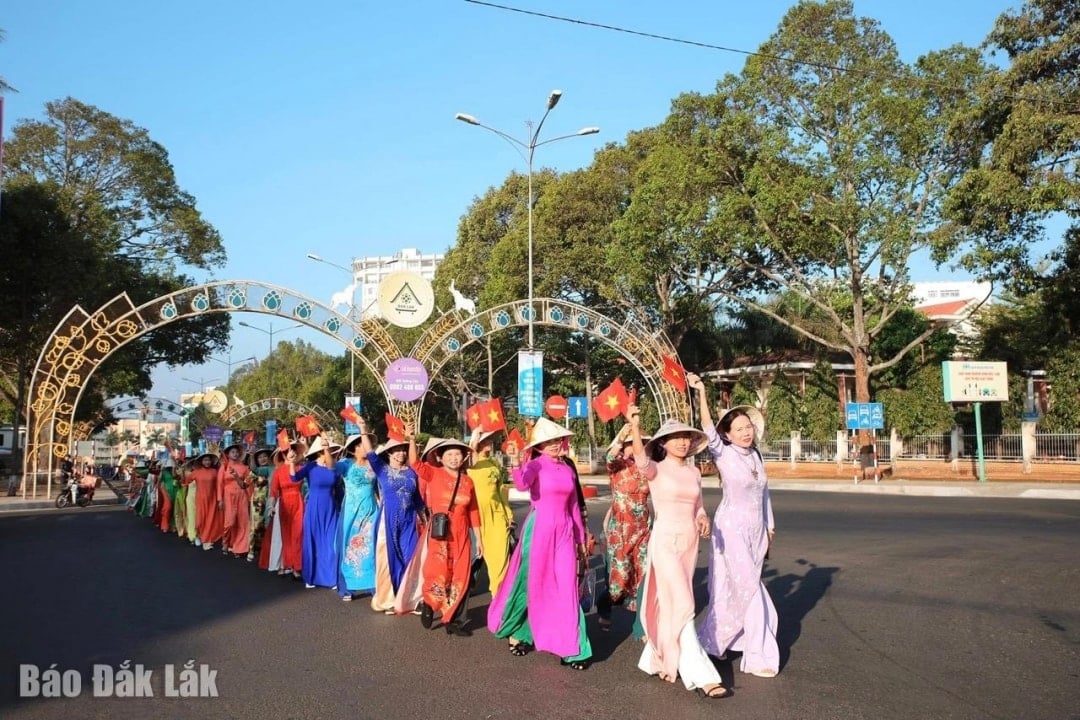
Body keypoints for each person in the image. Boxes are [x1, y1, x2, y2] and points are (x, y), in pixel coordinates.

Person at [628, 406, 728, 699]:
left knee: (675, 603)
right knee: (684, 602)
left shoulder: (695, 472)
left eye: (686, 437)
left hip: (689, 542)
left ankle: (658, 657)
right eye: (676, 438)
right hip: (664, 541)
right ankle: (704, 675)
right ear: (663, 443)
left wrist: (702, 518)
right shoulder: (656, 469)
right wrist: (635, 427)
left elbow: (697, 505)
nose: (682, 442)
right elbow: (640, 460)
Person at [689, 372, 780, 678]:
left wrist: (769, 527)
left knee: (735, 588)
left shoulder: (756, 456)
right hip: (731, 530)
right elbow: (706, 429)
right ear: (727, 434)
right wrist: (701, 392)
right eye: (739, 429)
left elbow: (763, 493)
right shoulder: (723, 453)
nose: (746, 432)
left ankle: (712, 641)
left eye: (748, 427)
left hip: (756, 531)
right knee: (751, 589)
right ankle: (759, 655)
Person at [488, 417, 592, 670]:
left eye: (557, 440)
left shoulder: (567, 469)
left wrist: (581, 537)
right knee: (532, 582)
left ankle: (574, 648)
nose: (555, 445)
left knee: (566, 585)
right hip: (539, 531)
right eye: (548, 442)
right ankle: (522, 632)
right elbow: (522, 483)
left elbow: (574, 506)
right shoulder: (535, 465)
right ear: (539, 446)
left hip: (565, 531)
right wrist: (514, 460)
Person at [413, 438, 483, 636]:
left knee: (461, 575)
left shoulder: (468, 481)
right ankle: (429, 602)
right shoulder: (433, 473)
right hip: (441, 533)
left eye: (457, 454)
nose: (454, 458)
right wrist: (411, 439)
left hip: (462, 533)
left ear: (463, 457)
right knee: (439, 571)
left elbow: (474, 511)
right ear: (440, 457)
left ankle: (453, 619)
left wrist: (479, 539)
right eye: (449, 454)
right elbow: (414, 463)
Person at [597, 423, 652, 630]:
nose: (637, 447)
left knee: (643, 575)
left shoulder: (648, 468)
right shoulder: (617, 466)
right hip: (620, 529)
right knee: (619, 581)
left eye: (642, 443)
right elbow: (609, 458)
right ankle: (604, 605)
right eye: (632, 444)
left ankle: (642, 624)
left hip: (642, 529)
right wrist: (622, 435)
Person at [366, 430, 425, 613]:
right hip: (388, 520)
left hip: (409, 521)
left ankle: (411, 600)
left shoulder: (411, 473)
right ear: (389, 452)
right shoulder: (382, 470)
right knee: (389, 560)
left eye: (403, 449)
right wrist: (362, 429)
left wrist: (424, 516)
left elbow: (417, 499)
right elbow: (369, 453)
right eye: (397, 449)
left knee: (411, 557)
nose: (401, 453)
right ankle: (389, 599)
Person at [289, 434, 342, 590]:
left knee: (331, 542)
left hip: (331, 508)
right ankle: (311, 576)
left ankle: (331, 577)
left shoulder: (335, 467)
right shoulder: (310, 466)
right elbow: (294, 478)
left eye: (331, 450)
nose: (331, 452)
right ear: (320, 452)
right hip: (314, 507)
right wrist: (292, 463)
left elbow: (337, 484)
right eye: (328, 450)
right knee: (313, 540)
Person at [467, 428, 514, 595]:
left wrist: (508, 514)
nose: (490, 442)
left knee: (501, 559)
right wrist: (475, 437)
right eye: (486, 440)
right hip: (476, 517)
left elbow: (501, 491)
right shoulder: (471, 463)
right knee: (477, 559)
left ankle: (500, 596)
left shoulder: (494, 463)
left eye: (490, 439)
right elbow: (468, 459)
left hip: (497, 516)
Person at [336, 429, 379, 601]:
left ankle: (373, 584)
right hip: (351, 513)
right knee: (348, 547)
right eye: (360, 444)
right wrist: (325, 447)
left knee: (371, 547)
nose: (364, 447)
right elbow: (331, 468)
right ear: (353, 449)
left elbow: (378, 486)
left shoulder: (374, 464)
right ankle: (347, 587)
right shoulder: (345, 463)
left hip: (371, 510)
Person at [268, 442, 305, 578]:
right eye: (289, 451)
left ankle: (296, 566)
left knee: (298, 534)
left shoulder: (301, 468)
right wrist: (271, 506)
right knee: (286, 536)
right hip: (284, 504)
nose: (292, 453)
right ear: (284, 455)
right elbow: (273, 492)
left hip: (299, 502)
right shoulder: (278, 472)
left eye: (294, 450)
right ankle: (287, 563)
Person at [218, 443, 255, 558]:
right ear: (228, 454)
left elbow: (248, 483)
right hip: (228, 495)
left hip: (241, 495)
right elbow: (219, 484)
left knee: (243, 521)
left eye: (237, 452)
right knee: (230, 522)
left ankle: (239, 548)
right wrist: (220, 499)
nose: (235, 454)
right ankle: (225, 541)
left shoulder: (245, 468)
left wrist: (250, 498)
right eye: (232, 452)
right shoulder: (224, 467)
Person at [190, 452, 223, 550]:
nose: (207, 462)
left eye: (208, 460)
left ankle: (206, 540)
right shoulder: (196, 472)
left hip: (212, 498)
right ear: (201, 462)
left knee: (211, 519)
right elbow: (185, 480)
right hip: (200, 498)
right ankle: (200, 535)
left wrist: (219, 498)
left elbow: (219, 484)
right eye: (205, 460)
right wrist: (182, 470)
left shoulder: (215, 471)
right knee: (201, 519)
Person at [248, 448, 274, 562]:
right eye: (260, 457)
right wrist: (252, 456)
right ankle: (251, 549)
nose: (263, 459)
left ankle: (264, 549)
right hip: (257, 501)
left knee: (266, 526)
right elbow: (253, 470)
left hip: (269, 500)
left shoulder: (272, 469)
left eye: (265, 456)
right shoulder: (255, 472)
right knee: (256, 526)